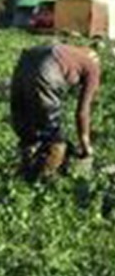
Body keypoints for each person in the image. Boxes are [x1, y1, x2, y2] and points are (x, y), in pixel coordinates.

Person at [10, 43, 101, 181]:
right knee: (53, 136)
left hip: (24, 63)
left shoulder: (71, 52)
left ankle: (23, 171)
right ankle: (43, 180)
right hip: (47, 68)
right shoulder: (92, 66)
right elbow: (83, 111)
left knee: (26, 127)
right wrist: (85, 144)